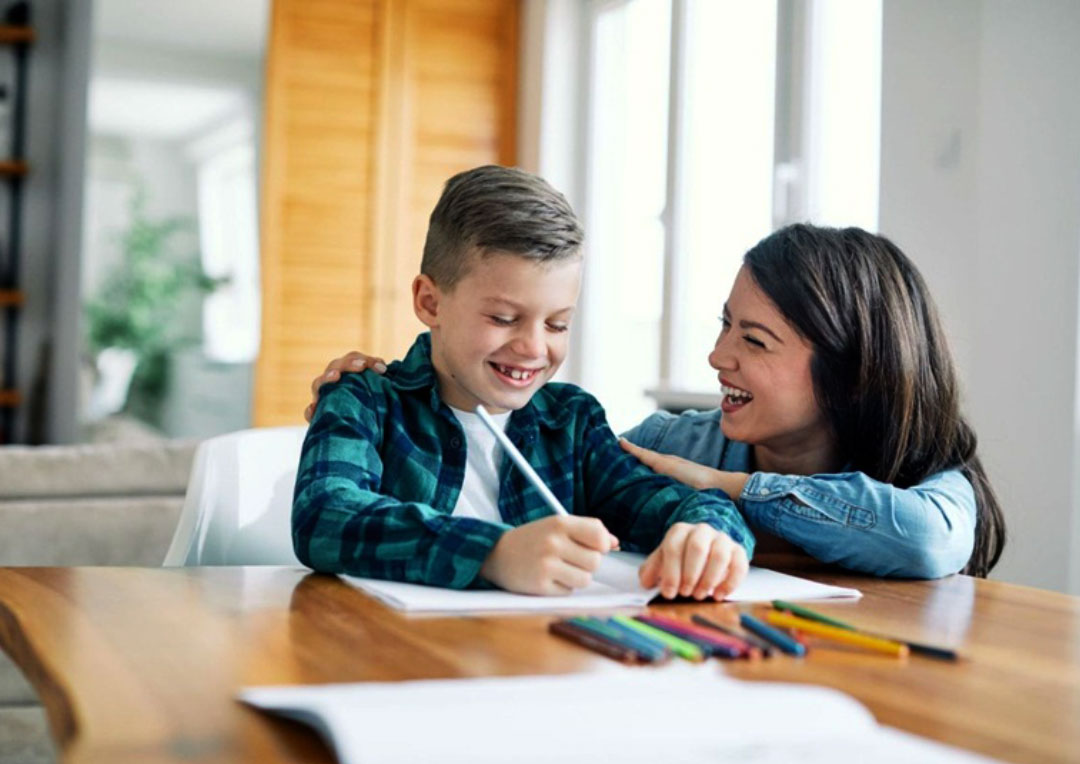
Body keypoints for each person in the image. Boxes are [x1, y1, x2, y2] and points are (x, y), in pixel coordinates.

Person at [310, 223, 1006, 579]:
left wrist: (728, 492)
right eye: (723, 325)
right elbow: (605, 477)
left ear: (853, 373)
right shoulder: (673, 446)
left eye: (754, 340)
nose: (716, 357)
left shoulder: (930, 472)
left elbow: (922, 539)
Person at [294, 165, 755, 600]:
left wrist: (709, 536)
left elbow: (678, 504)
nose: (533, 348)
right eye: (503, 318)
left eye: (556, 325)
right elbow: (323, 517)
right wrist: (494, 552)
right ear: (431, 302)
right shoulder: (363, 399)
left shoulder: (572, 422)